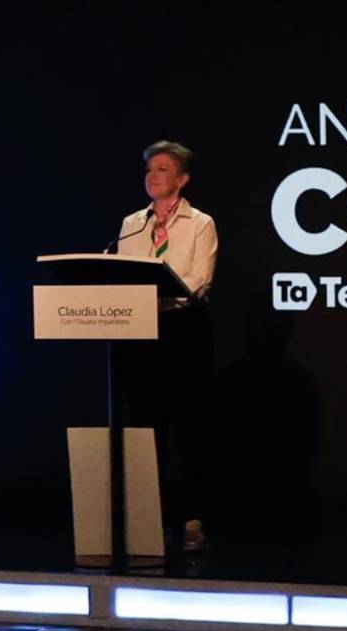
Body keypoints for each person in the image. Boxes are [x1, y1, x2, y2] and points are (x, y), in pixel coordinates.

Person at [117, 140, 218, 553]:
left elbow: (199, 280)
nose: (152, 176)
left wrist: (162, 292)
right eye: (149, 169)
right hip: (141, 335)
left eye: (162, 169)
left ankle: (192, 519)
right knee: (146, 431)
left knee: (189, 431)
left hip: (184, 332)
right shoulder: (132, 224)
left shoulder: (200, 223)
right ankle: (149, 521)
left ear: (182, 179)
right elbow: (122, 275)